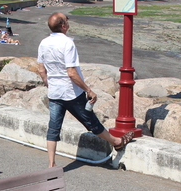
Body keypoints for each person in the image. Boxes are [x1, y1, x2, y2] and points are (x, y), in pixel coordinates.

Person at [37, 13, 134, 168]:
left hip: (54, 93)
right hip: (71, 93)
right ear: (63, 26)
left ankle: (51, 165)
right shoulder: (67, 43)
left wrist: (49, 83)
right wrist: (88, 90)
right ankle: (117, 142)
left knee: (53, 128)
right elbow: (71, 73)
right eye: (67, 20)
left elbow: (41, 70)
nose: (68, 22)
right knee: (91, 121)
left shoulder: (44, 43)